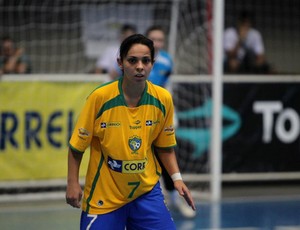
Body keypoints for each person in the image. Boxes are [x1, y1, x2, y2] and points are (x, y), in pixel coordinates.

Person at [66, 34, 196, 230]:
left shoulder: (163, 99)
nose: (140, 66)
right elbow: (77, 147)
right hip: (105, 197)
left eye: (145, 60)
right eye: (132, 60)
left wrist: (177, 179)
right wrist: (72, 183)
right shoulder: (100, 98)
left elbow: (165, 147)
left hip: (145, 192)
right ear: (120, 62)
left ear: (153, 63)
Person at [145, 25, 196, 219]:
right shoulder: (137, 58)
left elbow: (165, 87)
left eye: (160, 39)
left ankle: (174, 200)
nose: (157, 42)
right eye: (153, 39)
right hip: (138, 115)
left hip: (161, 114)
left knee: (166, 155)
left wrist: (169, 114)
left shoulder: (167, 61)